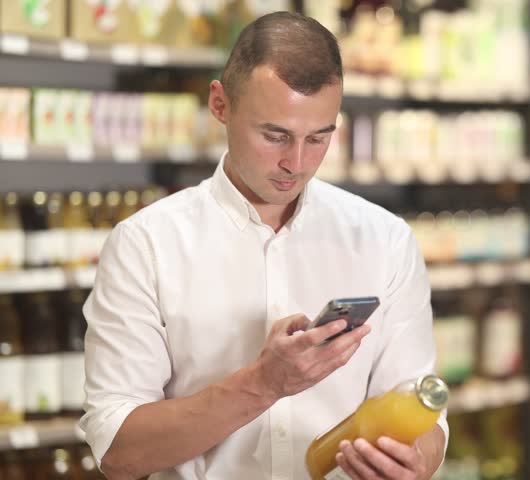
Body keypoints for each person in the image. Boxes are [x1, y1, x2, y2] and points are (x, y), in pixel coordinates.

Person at [80, 11, 447, 480]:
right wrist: (263, 384)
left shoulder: (386, 240)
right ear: (220, 104)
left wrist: (417, 462)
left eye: (318, 138)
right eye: (275, 135)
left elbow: (423, 412)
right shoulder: (144, 246)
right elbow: (120, 453)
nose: (295, 162)